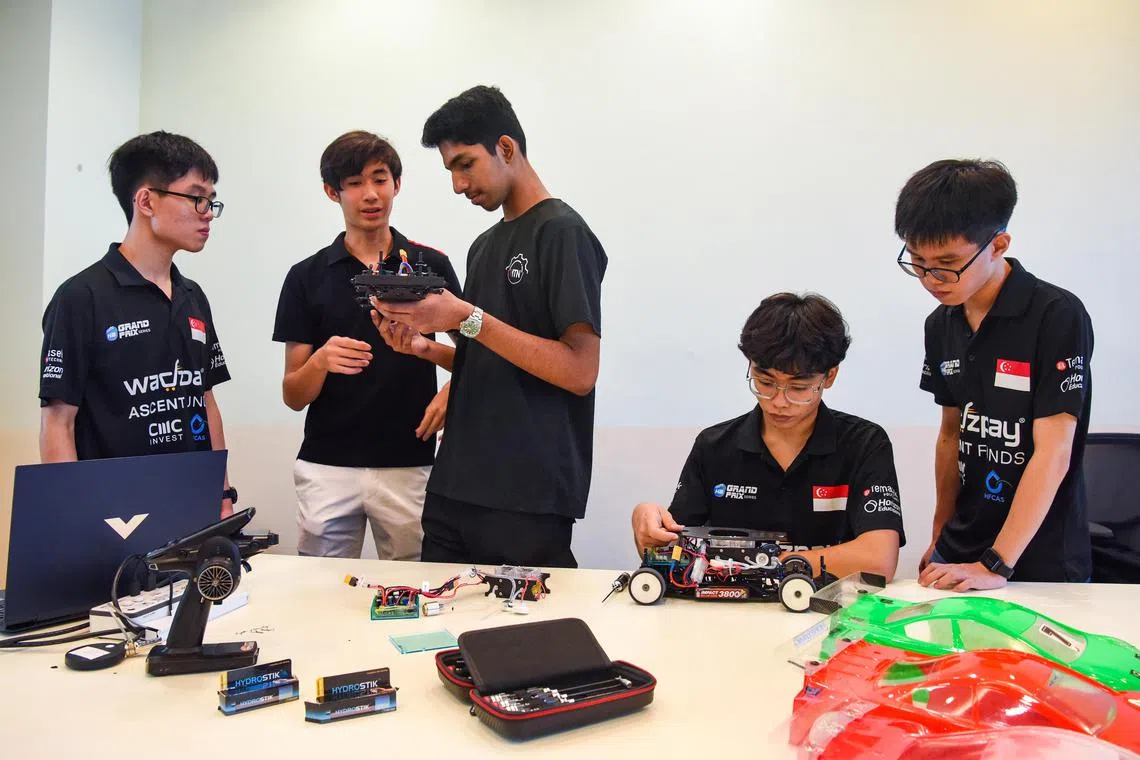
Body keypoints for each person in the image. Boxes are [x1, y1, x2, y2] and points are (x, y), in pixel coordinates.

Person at [373, 85, 607, 568]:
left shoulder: (562, 232)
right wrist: (425, 348)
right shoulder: (483, 245)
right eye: (450, 172)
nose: (459, 185)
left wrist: (465, 316)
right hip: (456, 483)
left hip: (525, 491)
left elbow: (580, 371)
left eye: (465, 164)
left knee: (520, 638)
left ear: (506, 148)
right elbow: (488, 359)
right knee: (434, 630)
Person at [897, 159, 1093, 588]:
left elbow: (1054, 451)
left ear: (999, 244)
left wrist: (997, 564)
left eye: (947, 263)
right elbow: (952, 434)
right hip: (962, 545)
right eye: (917, 262)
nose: (931, 279)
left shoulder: (1056, 315)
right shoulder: (941, 322)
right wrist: (939, 534)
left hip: (1038, 555)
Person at [272, 131, 460, 559]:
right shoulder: (306, 277)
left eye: (380, 179)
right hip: (327, 466)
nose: (370, 194)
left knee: (417, 589)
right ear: (331, 192)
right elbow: (292, 395)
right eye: (354, 183)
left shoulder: (432, 265)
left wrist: (454, 389)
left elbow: (478, 350)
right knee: (321, 595)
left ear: (397, 184)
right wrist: (320, 361)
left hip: (411, 462)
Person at [631, 293, 904, 581]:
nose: (779, 401)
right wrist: (645, 523)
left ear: (830, 377)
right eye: (765, 382)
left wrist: (759, 562)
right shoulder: (714, 447)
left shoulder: (864, 444)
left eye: (798, 388)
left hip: (831, 613)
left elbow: (878, 560)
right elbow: (677, 557)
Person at [39, 131, 235, 517]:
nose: (208, 212)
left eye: (212, 201)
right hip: (113, 512)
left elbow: (206, 401)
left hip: (190, 504)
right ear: (146, 200)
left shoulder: (193, 295)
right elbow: (58, 423)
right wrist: (74, 520)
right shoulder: (81, 297)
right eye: (197, 197)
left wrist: (223, 497)